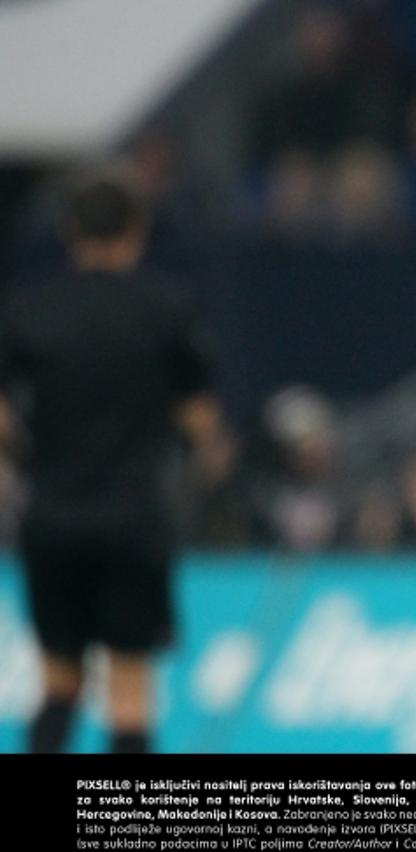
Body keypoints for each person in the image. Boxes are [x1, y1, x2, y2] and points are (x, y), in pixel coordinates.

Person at [0, 168, 221, 753]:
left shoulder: (29, 311)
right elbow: (201, 420)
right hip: (134, 516)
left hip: (52, 515)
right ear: (138, 231)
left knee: (59, 682)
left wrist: (21, 454)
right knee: (128, 691)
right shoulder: (166, 309)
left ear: (70, 231)